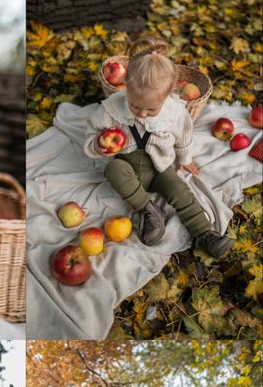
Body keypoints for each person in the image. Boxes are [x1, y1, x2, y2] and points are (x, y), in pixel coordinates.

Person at [84, 35, 233, 259]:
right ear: (126, 89)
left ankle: (205, 233)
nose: (142, 114)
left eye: (151, 110)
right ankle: (148, 209)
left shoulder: (175, 112)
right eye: (135, 105)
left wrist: (185, 159)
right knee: (112, 170)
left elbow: (184, 137)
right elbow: (91, 132)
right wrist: (97, 144)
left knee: (180, 191)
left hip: (160, 168)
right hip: (129, 167)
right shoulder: (112, 108)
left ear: (167, 96)